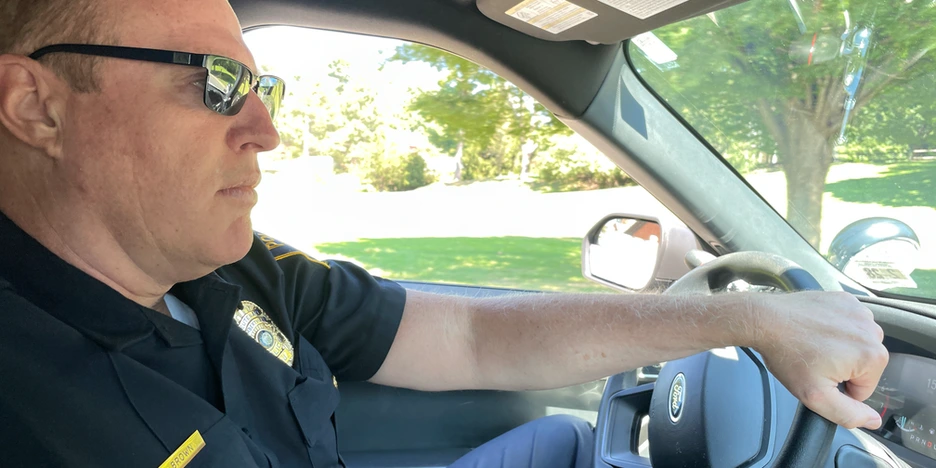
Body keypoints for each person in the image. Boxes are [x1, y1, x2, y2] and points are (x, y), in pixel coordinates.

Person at [0, 0, 888, 466]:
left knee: (572, 443)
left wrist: (748, 320)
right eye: (217, 83)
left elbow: (467, 334)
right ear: (36, 105)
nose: (265, 130)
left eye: (265, 89)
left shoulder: (240, 272)